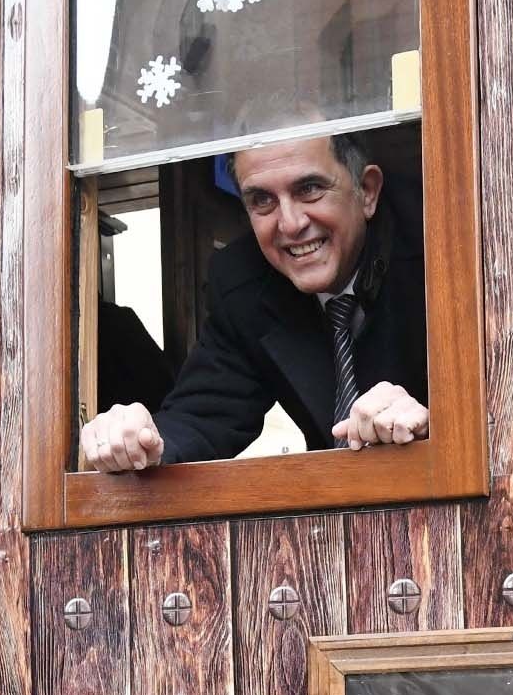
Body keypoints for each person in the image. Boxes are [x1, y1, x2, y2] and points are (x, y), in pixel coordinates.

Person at [76, 135, 427, 471]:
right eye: (262, 200)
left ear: (366, 192)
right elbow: (203, 417)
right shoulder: (243, 283)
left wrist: (431, 425)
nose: (290, 224)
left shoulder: (440, 244)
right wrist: (140, 439)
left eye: (310, 189)